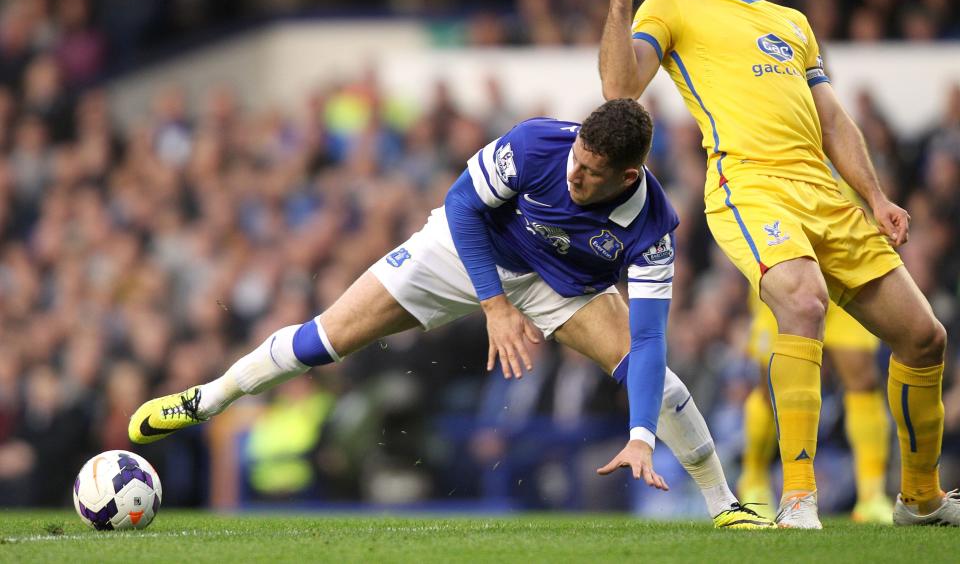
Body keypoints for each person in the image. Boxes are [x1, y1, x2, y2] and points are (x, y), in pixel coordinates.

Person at [129, 99, 771, 528]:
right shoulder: (540, 144)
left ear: (628, 176)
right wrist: (493, 304)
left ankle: (725, 505)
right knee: (328, 337)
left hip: (563, 288)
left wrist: (639, 437)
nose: (576, 174)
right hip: (471, 251)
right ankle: (207, 399)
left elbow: (652, 335)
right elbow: (461, 204)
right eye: (577, 159)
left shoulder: (654, 226)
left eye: (592, 173)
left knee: (657, 381)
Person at [598, 0, 957, 528]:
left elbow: (832, 118)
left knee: (924, 337)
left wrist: (875, 196)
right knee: (803, 298)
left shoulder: (790, 23)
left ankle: (921, 499)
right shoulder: (672, 5)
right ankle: (798, 498)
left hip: (826, 194)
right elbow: (621, 88)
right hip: (749, 183)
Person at [740, 292, 892, 523]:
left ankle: (871, 495)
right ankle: (754, 481)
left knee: (864, 379)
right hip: (784, 271)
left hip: (838, 271)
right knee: (771, 385)